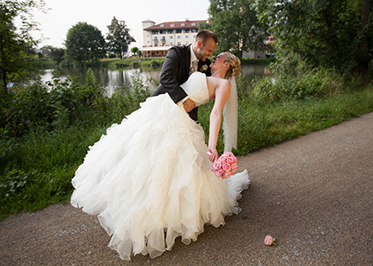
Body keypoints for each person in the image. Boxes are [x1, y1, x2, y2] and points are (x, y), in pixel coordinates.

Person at [70, 52, 250, 261]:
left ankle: (162, 217)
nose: (213, 59)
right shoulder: (203, 70)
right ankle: (138, 209)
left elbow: (216, 113)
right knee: (144, 157)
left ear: (226, 63)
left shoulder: (223, 84)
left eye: (217, 57)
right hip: (165, 111)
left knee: (170, 167)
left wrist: (212, 145)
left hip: (180, 122)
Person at [152, 30, 218, 121]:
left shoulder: (206, 62)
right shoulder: (177, 52)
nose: (210, 55)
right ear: (199, 44)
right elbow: (165, 77)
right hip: (163, 104)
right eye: (209, 50)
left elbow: (207, 87)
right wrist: (184, 99)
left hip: (189, 113)